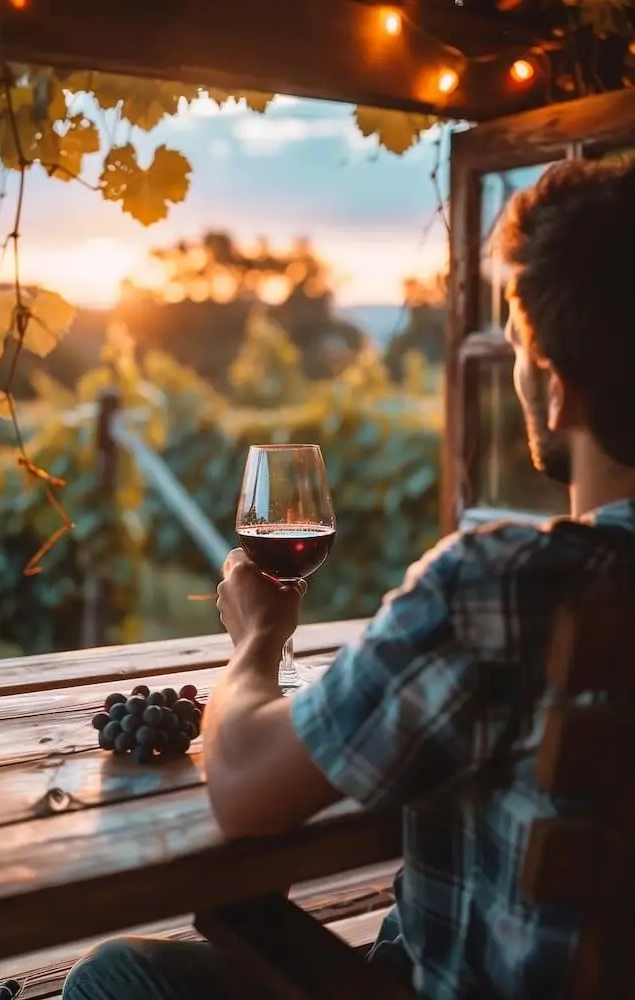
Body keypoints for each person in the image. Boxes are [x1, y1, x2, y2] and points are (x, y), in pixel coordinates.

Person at [63, 158, 635, 1000]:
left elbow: (246, 787)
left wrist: (257, 637)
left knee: (117, 977)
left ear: (558, 389)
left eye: (518, 346)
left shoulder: (502, 588)